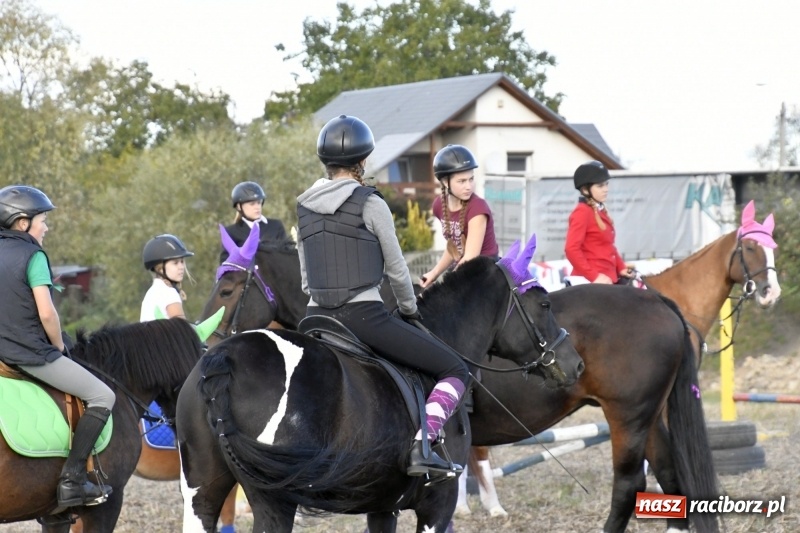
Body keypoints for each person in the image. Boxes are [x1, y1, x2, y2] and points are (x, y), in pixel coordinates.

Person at [296, 115, 470, 479]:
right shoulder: (370, 203)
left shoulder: (304, 206)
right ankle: (423, 446)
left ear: (325, 163)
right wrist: (408, 310)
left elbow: (306, 283)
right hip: (364, 319)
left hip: (313, 319)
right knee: (455, 369)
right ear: (362, 162)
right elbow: (396, 271)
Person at [0, 185, 116, 508]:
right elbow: (48, 313)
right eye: (42, 220)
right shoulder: (33, 255)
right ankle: (72, 480)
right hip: (30, 354)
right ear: (22, 223)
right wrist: (59, 349)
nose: (46, 226)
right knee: (103, 395)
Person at [420, 144, 499, 288]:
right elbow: (454, 248)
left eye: (471, 179)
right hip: (462, 270)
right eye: (462, 181)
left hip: (486, 272)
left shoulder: (478, 209)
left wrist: (447, 285)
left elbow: (470, 257)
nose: (469, 186)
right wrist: (434, 273)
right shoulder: (438, 205)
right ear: (445, 182)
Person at [564, 160, 634, 285]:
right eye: (600, 186)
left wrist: (621, 267)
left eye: (606, 184)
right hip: (592, 281)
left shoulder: (599, 211)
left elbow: (608, 247)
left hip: (608, 278)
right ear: (585, 190)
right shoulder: (582, 212)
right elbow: (571, 249)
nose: (606, 189)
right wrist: (594, 276)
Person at [219, 181, 288, 262]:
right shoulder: (231, 232)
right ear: (239, 206)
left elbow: (286, 255)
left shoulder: (276, 225)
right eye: (252, 204)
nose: (257, 207)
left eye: (259, 203)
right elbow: (226, 264)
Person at [140, 234, 194, 321]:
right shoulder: (169, 293)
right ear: (160, 268)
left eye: (182, 261)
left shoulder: (151, 294)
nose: (181, 267)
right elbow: (182, 331)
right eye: (175, 263)